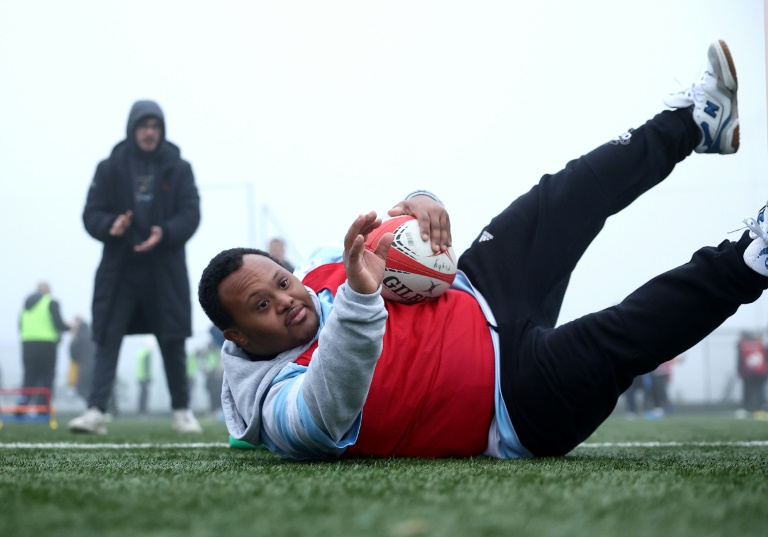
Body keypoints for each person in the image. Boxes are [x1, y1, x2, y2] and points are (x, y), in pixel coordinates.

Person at [198, 40, 760, 460]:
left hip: (482, 292)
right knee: (620, 332)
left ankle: (696, 121)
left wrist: (420, 203)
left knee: (562, 198)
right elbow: (326, 409)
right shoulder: (274, 407)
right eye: (262, 305)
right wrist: (360, 302)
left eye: (279, 281)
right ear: (239, 336)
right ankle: (752, 254)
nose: (286, 297)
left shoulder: (324, 263)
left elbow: (395, 226)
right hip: (512, 402)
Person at [69, 99, 202, 435]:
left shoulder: (178, 167)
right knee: (106, 337)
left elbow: (191, 213)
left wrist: (165, 231)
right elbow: (90, 214)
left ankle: (182, 411)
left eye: (155, 126)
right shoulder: (109, 167)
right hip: (120, 268)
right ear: (132, 129)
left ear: (162, 130)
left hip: (164, 269)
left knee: (172, 340)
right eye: (143, 126)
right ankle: (95, 410)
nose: (149, 132)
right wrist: (110, 225)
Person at [18, 282, 70, 409]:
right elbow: (59, 323)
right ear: (46, 290)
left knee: (29, 376)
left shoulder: (26, 306)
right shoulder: (50, 302)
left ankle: (22, 405)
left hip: (28, 345)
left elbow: (20, 326)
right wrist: (70, 327)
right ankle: (42, 406)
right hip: (47, 345)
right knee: (47, 376)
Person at [736, 331, 767, 415]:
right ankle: (760, 408)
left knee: (751, 391)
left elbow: (740, 359)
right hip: (758, 373)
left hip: (750, 373)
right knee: (758, 391)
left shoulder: (743, 346)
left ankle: (750, 407)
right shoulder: (760, 345)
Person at [68, 316, 96, 405]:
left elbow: (73, 355)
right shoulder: (93, 337)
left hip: (84, 368)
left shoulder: (78, 339)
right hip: (97, 367)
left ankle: (92, 405)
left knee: (81, 388)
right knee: (97, 388)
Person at [135, 342, 153, 414]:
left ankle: (141, 409)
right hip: (144, 378)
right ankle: (143, 410)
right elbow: (147, 367)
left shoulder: (141, 353)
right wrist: (148, 377)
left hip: (140, 377)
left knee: (142, 394)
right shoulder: (147, 354)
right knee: (144, 395)